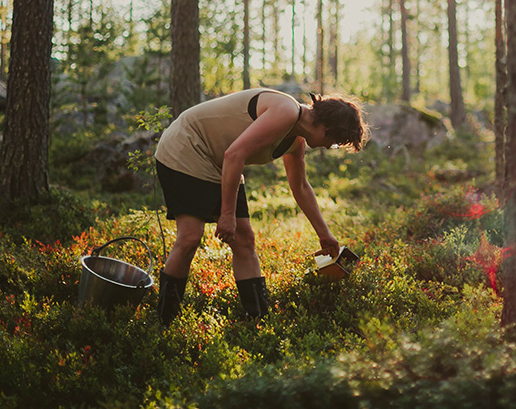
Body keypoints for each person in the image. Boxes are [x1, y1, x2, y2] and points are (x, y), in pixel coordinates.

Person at [153, 88, 367, 325]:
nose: (329, 147)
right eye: (335, 142)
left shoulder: (296, 140)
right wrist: (227, 215)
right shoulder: (285, 112)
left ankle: (257, 319)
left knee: (244, 237)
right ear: (326, 129)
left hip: (216, 161)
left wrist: (324, 235)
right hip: (186, 146)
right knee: (190, 237)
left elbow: (301, 188)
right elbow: (234, 154)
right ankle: (166, 321)